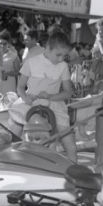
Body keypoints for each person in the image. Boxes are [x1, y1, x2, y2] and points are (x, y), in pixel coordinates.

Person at [16, 30, 77, 162]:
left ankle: (74, 164)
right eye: (58, 55)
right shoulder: (31, 62)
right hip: (31, 101)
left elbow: (68, 92)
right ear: (48, 48)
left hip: (54, 102)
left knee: (68, 139)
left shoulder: (63, 66)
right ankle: (12, 157)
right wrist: (25, 98)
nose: (61, 59)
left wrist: (50, 97)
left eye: (64, 55)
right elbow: (20, 87)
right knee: (14, 125)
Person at [0, 30, 20, 95]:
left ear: (8, 44)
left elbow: (17, 72)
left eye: (4, 44)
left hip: (9, 86)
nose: (2, 45)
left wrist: (7, 73)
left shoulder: (14, 56)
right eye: (0, 43)